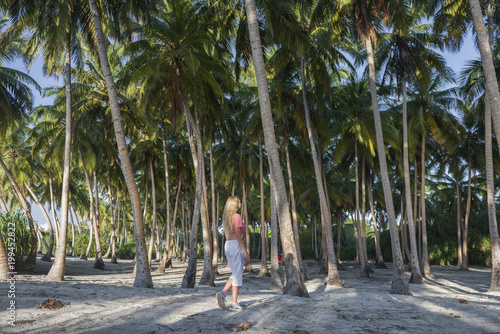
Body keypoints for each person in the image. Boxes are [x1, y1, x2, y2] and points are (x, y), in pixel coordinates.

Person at [216, 196, 250, 311]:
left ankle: (223, 292)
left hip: (228, 245)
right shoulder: (237, 217)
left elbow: (227, 236)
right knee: (238, 275)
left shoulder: (226, 219)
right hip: (235, 245)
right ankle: (234, 303)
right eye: (239, 201)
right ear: (235, 204)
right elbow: (238, 237)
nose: (240, 202)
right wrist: (245, 252)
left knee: (235, 273)